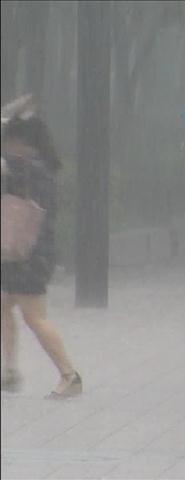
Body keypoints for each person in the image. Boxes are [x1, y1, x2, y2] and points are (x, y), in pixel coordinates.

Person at [1, 113, 82, 399]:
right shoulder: (39, 166)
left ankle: (69, 375)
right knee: (4, 304)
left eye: (9, 140)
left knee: (34, 317)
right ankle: (9, 370)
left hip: (28, 255)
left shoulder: (29, 167)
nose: (7, 146)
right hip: (24, 252)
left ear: (21, 141)